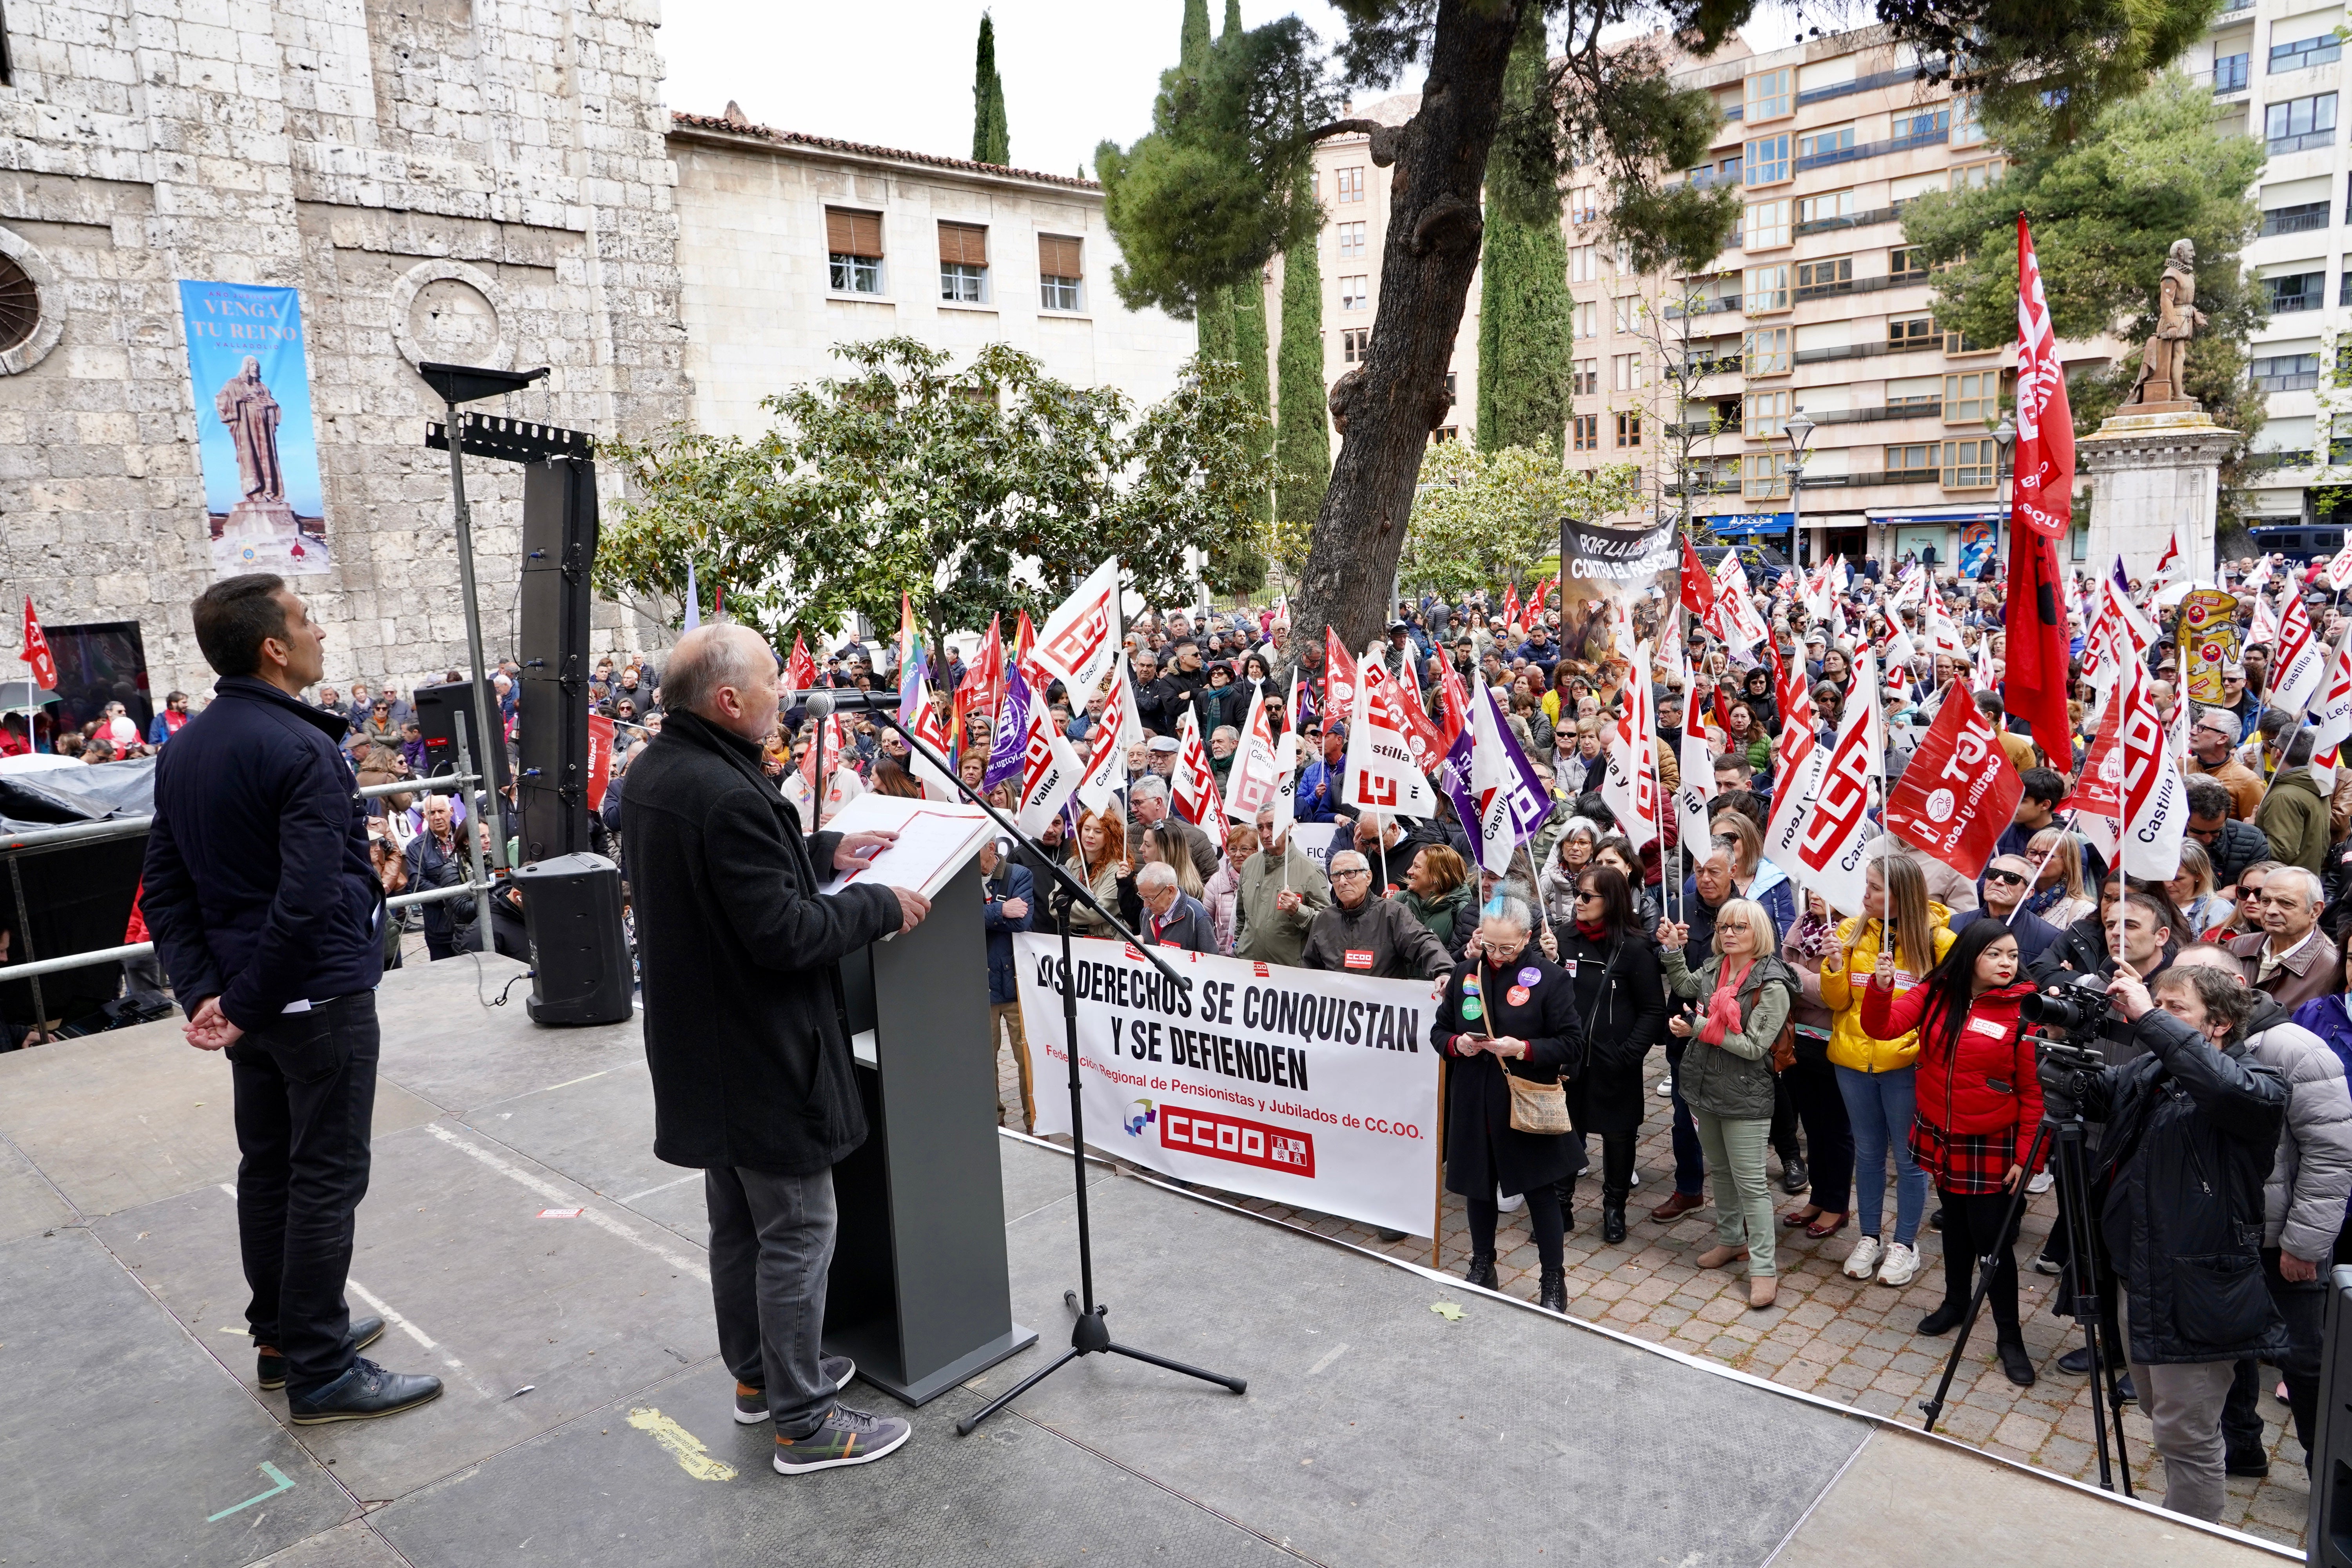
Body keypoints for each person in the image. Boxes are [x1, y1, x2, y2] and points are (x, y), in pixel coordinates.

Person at [623, 622, 931, 1475]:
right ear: (727, 700)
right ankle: (805, 1420)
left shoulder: (662, 771)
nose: (784, 694)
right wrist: (878, 904)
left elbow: (729, 877)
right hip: (762, 1054)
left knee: (740, 1226)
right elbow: (784, 932)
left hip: (707, 1051)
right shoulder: (725, 791)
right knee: (799, 1228)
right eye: (769, 681)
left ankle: (761, 1378)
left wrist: (825, 850)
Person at [139, 574, 437, 1424]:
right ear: (273, 645)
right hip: (308, 997)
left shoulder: (188, 747)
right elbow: (306, 897)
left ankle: (283, 1335)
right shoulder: (301, 747)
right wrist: (242, 998)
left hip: (256, 998)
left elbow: (166, 889)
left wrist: (210, 991)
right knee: (324, 1176)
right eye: (305, 619)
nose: (319, 632)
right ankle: (319, 1364)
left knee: (271, 1167)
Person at [2054, 964, 2286, 1522]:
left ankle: (2185, 1541)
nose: (2150, 1012)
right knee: (2162, 1413)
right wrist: (2064, 1050)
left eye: (2173, 1007)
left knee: (2187, 1436)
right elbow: (2100, 1095)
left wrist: (2150, 1019)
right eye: (2153, 1003)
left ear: (2221, 1024)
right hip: (2141, 1276)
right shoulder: (2156, 1068)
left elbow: (2226, 1089)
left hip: (2200, 1289)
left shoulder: (2259, 1083)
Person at [2170, 944, 2352, 1477]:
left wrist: (2304, 1243)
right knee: (2228, 1351)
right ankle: (2242, 1449)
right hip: (2215, 1235)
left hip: (2280, 1243)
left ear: (2233, 986)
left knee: (2305, 1361)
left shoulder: (2296, 1049)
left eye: (2193, 985)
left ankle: (2331, 1475)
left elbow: (2331, 1151)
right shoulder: (2183, 1044)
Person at [1859, 917, 2043, 1385]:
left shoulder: (2025, 1009)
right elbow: (1882, 1028)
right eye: (1995, 954)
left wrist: (2028, 1158)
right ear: (1970, 956)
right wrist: (1880, 990)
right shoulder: (1937, 992)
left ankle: (2009, 1336)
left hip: (1992, 1143)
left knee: (1993, 1242)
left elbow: (2035, 1094)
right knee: (1955, 1227)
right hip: (1942, 1132)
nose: (2007, 963)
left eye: (2013, 955)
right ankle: (1955, 1304)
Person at [1432, 891, 1583, 1311]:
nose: (1497, 956)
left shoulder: (1550, 979)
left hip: (1523, 1100)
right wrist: (1456, 1044)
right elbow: (1439, 1032)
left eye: (1507, 947)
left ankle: (1553, 1278)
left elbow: (1572, 1043)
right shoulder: (1466, 973)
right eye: (1490, 945)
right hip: (1473, 1100)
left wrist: (1523, 1048)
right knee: (1477, 1189)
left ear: (1527, 937)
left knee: (1540, 1192)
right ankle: (1483, 1264)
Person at [1817, 853, 1953, 1288]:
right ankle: (1870, 1237)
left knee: (1911, 1159)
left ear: (1901, 894)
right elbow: (1837, 1004)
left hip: (1907, 1066)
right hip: (1853, 1062)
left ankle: (1905, 1245)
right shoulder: (1850, 931)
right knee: (1869, 1152)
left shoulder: (1940, 942)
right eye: (1867, 885)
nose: (1866, 894)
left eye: (1876, 887)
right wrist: (1836, 969)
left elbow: (1944, 1009)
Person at [1658, 897, 1800, 1310]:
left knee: (1752, 1184)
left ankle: (1764, 1269)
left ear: (1758, 932)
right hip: (1705, 1088)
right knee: (1719, 1170)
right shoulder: (1717, 966)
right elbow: (1687, 988)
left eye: (1739, 927)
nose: (1729, 933)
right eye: (1724, 926)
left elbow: (1756, 1046)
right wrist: (1671, 952)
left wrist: (1697, 1028)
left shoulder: (1772, 984)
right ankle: (1730, 1241)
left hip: (1745, 1095)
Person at [1559, 865, 1665, 1244]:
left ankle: (1614, 1209)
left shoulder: (1634, 947)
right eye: (1578, 894)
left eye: (1588, 897)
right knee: (1567, 1133)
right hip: (1570, 1063)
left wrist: (1629, 1054)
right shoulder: (1564, 939)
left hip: (1615, 1062)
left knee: (1619, 1138)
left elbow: (1653, 1009)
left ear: (1612, 901)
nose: (1579, 902)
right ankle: (1561, 1208)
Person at [1777, 892, 1855, 1240]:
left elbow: (1832, 993)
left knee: (1836, 1129)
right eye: (1810, 886)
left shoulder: (1854, 932)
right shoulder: (1800, 925)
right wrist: (1798, 980)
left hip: (1836, 1041)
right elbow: (1781, 982)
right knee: (1812, 1124)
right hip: (1800, 1039)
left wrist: (1794, 975)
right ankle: (1818, 1199)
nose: (1815, 895)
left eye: (1826, 887)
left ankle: (1837, 1205)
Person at [1300, 849, 1453, 979]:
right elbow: (1309, 969)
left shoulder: (1393, 914)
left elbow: (1423, 944)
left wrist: (1444, 971)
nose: (1342, 882)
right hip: (1338, 1010)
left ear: (1368, 878)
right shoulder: (1323, 920)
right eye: (1336, 875)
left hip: (1381, 1011)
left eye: (1350, 873)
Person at [2229, 865, 2343, 1011]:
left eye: (2286, 903)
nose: (2271, 911)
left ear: (2315, 911)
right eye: (2265, 901)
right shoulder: (2236, 947)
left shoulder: (2334, 969)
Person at [980, 836, 1036, 1131]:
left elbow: (1023, 922)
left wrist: (983, 917)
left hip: (1015, 984)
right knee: (984, 1059)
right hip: (981, 986)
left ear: (991, 849)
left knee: (1027, 1058)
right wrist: (1000, 911)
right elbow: (957, 921)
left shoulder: (1019, 874)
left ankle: (1034, 1123)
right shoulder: (962, 879)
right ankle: (993, 1122)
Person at [1234, 805, 1330, 967]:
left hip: (1287, 974)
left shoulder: (1311, 871)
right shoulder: (1249, 865)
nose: (1266, 834)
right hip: (1248, 968)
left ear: (1289, 826)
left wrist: (1298, 911)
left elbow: (1327, 926)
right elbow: (1242, 917)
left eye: (1272, 826)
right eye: (1261, 827)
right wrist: (1238, 947)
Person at [402, 796, 479, 960]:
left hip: (470, 924)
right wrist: (456, 898)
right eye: (432, 813)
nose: (437, 817)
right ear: (425, 816)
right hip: (440, 926)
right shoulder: (416, 847)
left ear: (451, 812)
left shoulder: (468, 838)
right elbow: (418, 883)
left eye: (441, 811)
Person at [2257, 731, 2331, 873]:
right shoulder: (2316, 786)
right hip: (2303, 879)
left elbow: (2280, 852)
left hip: (2282, 882)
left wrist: (2250, 832)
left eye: (2272, 744)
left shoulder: (2284, 796)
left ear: (2278, 753)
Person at [1974, 854, 2062, 964]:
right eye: (1993, 874)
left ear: (2029, 893)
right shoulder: (1955, 923)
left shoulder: (2049, 938)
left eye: (2011, 878)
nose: (1998, 881)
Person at [2186, 777, 2271, 891]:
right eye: (2197, 832)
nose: (2207, 839)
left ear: (2226, 819)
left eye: (2215, 831)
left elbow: (2259, 886)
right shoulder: (2165, 837)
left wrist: (2238, 891)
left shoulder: (2253, 840)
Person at [1068, 806, 1137, 940]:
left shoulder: (1117, 869)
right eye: (1087, 829)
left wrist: (1066, 907)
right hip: (1072, 940)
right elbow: (1053, 905)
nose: (1090, 835)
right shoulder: (1071, 863)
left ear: (1109, 837)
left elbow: (1095, 914)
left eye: (1098, 832)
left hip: (1103, 944)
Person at [1394, 843, 1475, 955]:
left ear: (1437, 875)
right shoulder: (1400, 900)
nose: (1409, 871)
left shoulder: (1460, 909)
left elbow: (1460, 956)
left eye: (1417, 867)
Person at [2187, 709, 2263, 821]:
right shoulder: (2180, 766)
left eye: (2202, 728)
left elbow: (2253, 832)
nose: (2192, 731)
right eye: (2196, 726)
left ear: (2223, 739)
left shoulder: (2247, 781)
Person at [1137, 860, 1217, 953]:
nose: (1145, 905)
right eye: (1143, 897)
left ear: (1170, 891)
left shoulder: (1197, 916)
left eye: (1151, 898)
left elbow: (1211, 961)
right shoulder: (1147, 913)